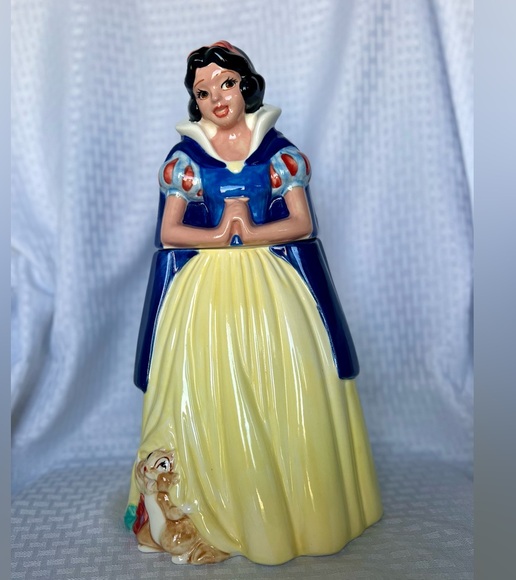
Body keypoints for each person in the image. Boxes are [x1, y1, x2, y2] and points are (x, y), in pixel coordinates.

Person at [125, 41, 382, 565]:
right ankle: (212, 506)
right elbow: (170, 232)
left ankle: (298, 509)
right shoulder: (186, 159)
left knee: (287, 377)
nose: (217, 98)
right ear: (195, 101)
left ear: (245, 85)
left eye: (225, 83)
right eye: (203, 92)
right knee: (207, 379)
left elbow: (302, 223)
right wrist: (221, 234)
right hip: (204, 290)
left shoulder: (277, 152)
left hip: (272, 285)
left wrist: (253, 231)